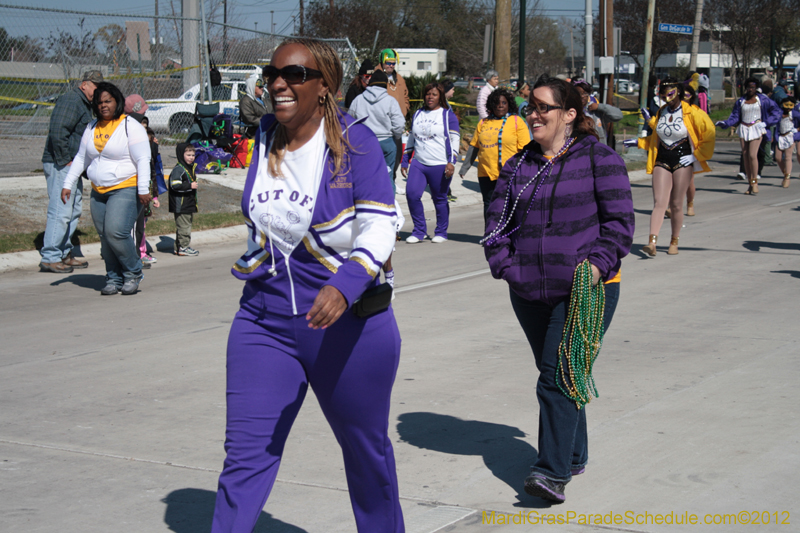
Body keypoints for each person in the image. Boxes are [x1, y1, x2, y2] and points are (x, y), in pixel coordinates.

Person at [211, 38, 403, 533]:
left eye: (295, 74)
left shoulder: (355, 141)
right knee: (245, 457)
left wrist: (346, 284)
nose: (279, 82)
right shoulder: (265, 133)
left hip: (347, 328)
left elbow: (381, 224)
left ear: (324, 87)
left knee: (366, 457)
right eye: (273, 72)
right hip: (263, 322)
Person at [483, 77, 634, 503]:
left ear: (569, 115)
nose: (533, 114)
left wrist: (596, 266)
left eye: (543, 108)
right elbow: (495, 227)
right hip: (528, 290)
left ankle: (550, 472)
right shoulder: (518, 166)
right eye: (530, 106)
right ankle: (574, 452)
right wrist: (509, 269)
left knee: (555, 377)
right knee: (561, 375)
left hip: (586, 290)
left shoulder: (599, 159)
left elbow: (620, 226)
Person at [61, 82, 151, 295]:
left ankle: (133, 272)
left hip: (126, 187)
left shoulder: (130, 126)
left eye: (107, 101)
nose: (103, 106)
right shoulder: (92, 127)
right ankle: (113, 277)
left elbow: (143, 159)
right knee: (105, 237)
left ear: (117, 101)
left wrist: (144, 189)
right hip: (98, 190)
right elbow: (82, 158)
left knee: (117, 232)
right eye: (99, 102)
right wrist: (67, 184)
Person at [624, 78, 715, 256]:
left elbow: (709, 134)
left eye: (670, 90)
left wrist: (695, 155)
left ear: (679, 91)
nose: (666, 94)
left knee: (676, 204)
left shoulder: (692, 112)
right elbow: (657, 138)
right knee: (659, 203)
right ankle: (652, 242)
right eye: (663, 90)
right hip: (662, 159)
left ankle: (674, 240)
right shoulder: (661, 111)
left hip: (683, 160)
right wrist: (639, 142)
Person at [40, 70, 103, 274]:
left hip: (71, 165)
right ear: (84, 84)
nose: (97, 90)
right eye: (94, 86)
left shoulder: (84, 104)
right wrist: (65, 159)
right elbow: (58, 130)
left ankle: (64, 253)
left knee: (72, 210)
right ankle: (50, 256)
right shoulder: (71, 100)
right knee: (61, 210)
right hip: (61, 164)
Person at [459, 87, 531, 222]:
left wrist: (525, 171)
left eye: (504, 103)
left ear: (509, 104)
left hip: (509, 172)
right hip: (486, 172)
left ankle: (508, 236)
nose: (500, 106)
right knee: (489, 205)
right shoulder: (483, 122)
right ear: (491, 104)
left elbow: (525, 149)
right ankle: (489, 236)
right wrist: (465, 167)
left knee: (508, 205)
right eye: (497, 102)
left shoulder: (517, 121)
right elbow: (474, 146)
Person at [401, 82, 460, 243]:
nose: (430, 97)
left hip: (440, 164)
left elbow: (455, 138)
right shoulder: (418, 113)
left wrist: (452, 162)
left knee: (439, 198)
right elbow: (412, 137)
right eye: (428, 94)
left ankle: (441, 232)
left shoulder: (447, 115)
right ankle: (419, 231)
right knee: (412, 194)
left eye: (434, 94)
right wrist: (405, 159)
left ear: (440, 96)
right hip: (419, 163)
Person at [717, 77, 781, 195]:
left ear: (756, 88)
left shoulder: (763, 100)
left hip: (756, 127)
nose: (750, 89)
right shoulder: (741, 101)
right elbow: (735, 116)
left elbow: (776, 112)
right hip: (744, 128)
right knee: (746, 156)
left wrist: (766, 123)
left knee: (752, 155)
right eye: (749, 87)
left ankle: (754, 181)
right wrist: (726, 123)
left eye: (753, 87)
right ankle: (750, 184)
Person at [347, 70, 404, 192]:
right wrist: (396, 136)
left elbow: (350, 122)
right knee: (387, 176)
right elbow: (399, 124)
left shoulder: (358, 100)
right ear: (385, 85)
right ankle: (388, 207)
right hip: (386, 141)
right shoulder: (390, 101)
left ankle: (366, 205)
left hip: (365, 142)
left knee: (364, 176)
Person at [375, 49, 410, 185]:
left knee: (396, 158)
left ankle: (392, 183)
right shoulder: (376, 77)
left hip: (397, 126)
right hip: (382, 127)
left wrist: (405, 110)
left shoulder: (399, 79)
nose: (391, 65)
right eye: (388, 63)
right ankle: (381, 186)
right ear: (382, 62)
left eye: (393, 63)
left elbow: (405, 96)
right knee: (381, 161)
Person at [168, 144, 199, 256]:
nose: (191, 157)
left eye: (193, 155)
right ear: (181, 155)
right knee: (184, 227)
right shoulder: (179, 169)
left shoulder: (189, 168)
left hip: (188, 203)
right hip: (181, 204)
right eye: (188, 155)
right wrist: (189, 186)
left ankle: (178, 247)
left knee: (183, 226)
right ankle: (184, 247)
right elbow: (175, 185)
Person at [572, 79, 623, 146]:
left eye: (585, 93)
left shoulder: (597, 112)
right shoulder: (570, 112)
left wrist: (599, 107)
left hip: (598, 149)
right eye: (579, 93)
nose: (582, 96)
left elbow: (618, 115)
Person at [775, 96, 800, 188]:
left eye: (791, 105)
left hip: (790, 136)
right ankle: (785, 173)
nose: (788, 107)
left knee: (788, 157)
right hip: (780, 136)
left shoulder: (795, 114)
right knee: (778, 157)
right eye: (786, 105)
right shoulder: (779, 113)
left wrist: (797, 130)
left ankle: (787, 178)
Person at [239, 74, 272, 139]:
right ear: (252, 86)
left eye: (262, 86)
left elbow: (274, 112)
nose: (262, 88)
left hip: (271, 130)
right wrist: (267, 121)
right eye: (259, 86)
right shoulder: (246, 101)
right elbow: (249, 118)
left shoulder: (266, 100)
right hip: (256, 133)